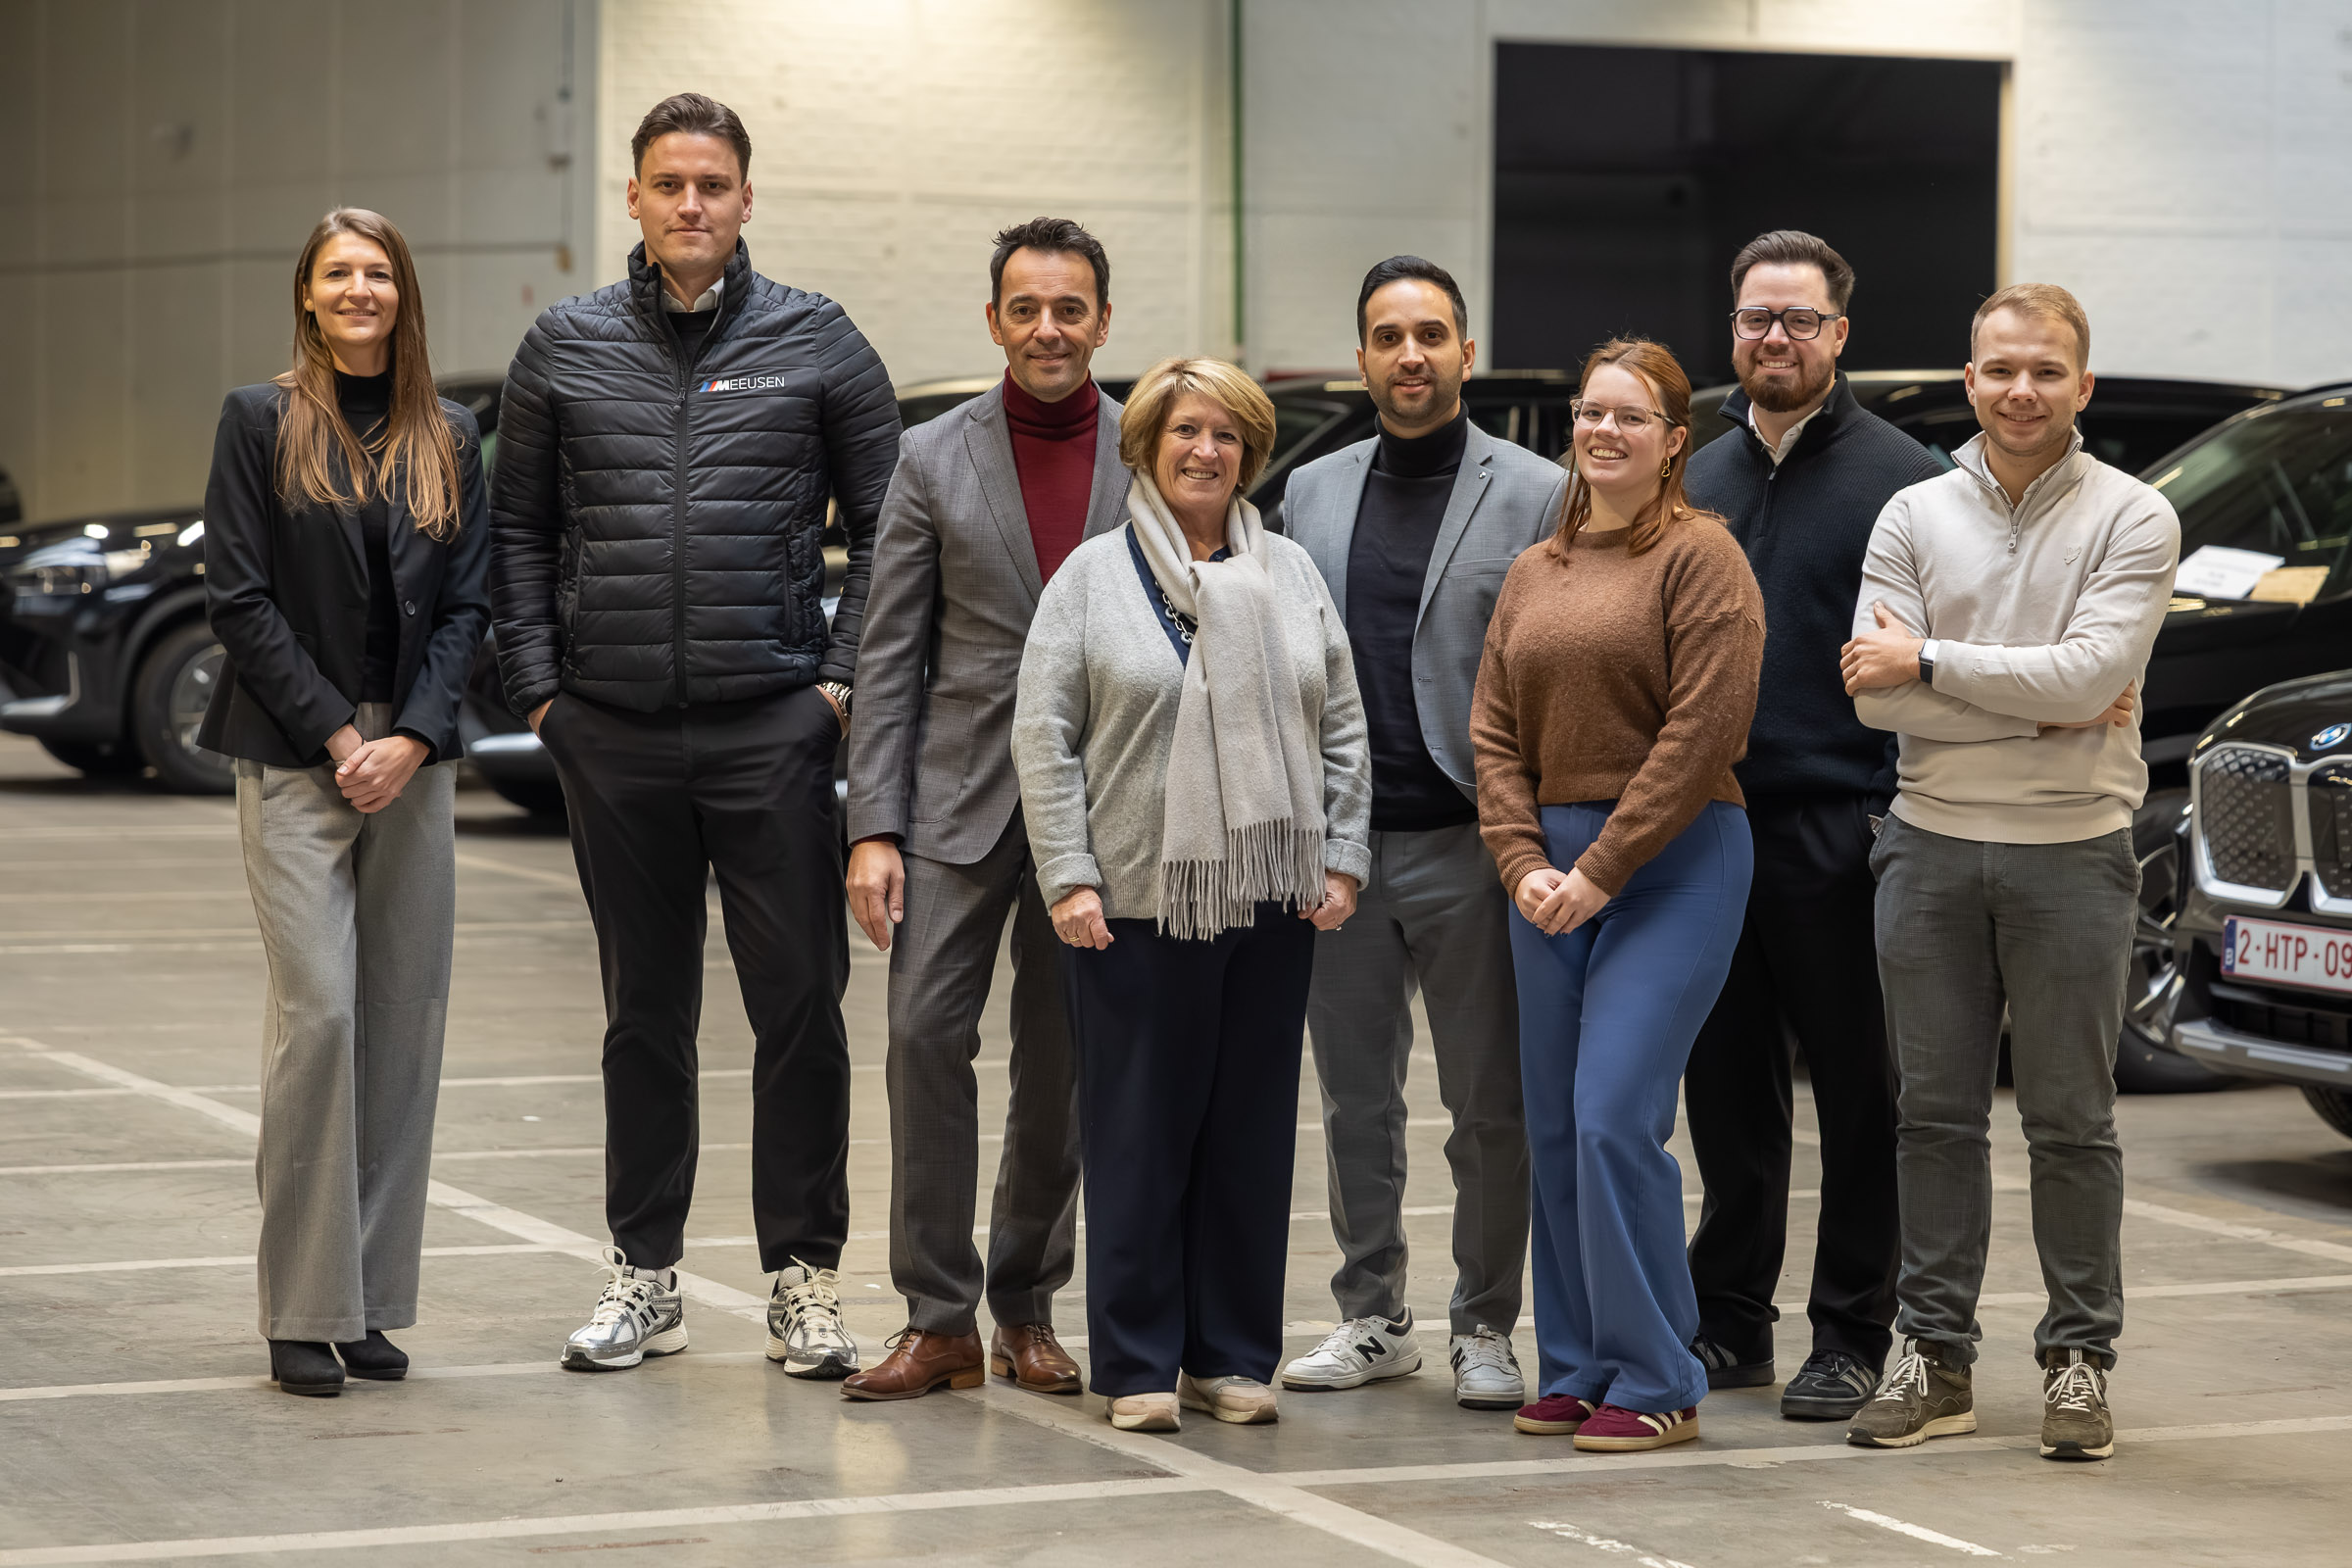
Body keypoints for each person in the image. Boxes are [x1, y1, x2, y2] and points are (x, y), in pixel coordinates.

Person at [489, 93, 900, 1376]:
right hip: (611, 733)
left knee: (803, 1008)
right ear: (633, 197)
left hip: (772, 727)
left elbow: (891, 533)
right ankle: (646, 1275)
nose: (690, 204)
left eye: (712, 184)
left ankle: (804, 1279)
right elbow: (517, 532)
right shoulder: (563, 345)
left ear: (746, 199)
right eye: (668, 183)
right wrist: (544, 695)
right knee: (643, 1015)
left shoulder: (817, 339)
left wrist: (835, 688)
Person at [1839, 284, 2177, 1463]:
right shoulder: (1912, 512)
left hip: (2075, 850)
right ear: (1970, 379)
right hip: (1927, 846)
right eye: (1999, 369)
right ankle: (1934, 1357)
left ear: (2082, 385)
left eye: (2044, 370)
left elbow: (2090, 677)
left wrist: (1932, 660)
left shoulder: (2135, 514)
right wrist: (2045, 710)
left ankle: (2079, 1357)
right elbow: (1873, 698)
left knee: (2071, 1119)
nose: (2020, 390)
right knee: (1933, 1117)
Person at [1011, 356, 1371, 1434]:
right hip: (1130, 903)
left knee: (1249, 1134)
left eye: (1225, 434)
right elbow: (1043, 736)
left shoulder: (1290, 573)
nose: (1205, 450)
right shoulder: (1090, 577)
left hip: (1271, 896)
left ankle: (1231, 1356)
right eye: (1185, 431)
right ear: (1148, 447)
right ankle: (1136, 1361)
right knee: (1138, 1135)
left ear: (1249, 452)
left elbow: (1341, 720)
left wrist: (1341, 854)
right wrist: (1069, 876)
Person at [200, 208, 490, 1397]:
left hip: (412, 756)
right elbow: (237, 596)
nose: (359, 288)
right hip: (295, 749)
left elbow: (470, 605)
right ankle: (301, 1309)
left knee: (402, 1024)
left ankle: (364, 1301)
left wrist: (410, 735)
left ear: (402, 293)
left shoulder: (449, 433)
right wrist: (338, 734)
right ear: (308, 296)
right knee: (319, 1017)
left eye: (378, 272)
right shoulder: (258, 421)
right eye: (338, 273)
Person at [838, 219, 1126, 1402]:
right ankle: (936, 1315)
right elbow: (889, 653)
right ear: (994, 319)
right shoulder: (931, 456)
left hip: (1099, 812)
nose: (1047, 329)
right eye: (1026, 308)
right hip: (953, 800)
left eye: (1070, 309)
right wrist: (872, 825)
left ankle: (1026, 1306)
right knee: (921, 1039)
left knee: (1061, 1067)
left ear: (1101, 321)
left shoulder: (1151, 448)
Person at [1278, 256, 1562, 1410]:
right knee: (1357, 1100)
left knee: (1490, 1107)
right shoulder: (1311, 490)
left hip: (1473, 843)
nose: (1411, 355)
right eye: (1389, 336)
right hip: (1341, 851)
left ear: (1466, 352)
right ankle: (1373, 1316)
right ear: (1361, 356)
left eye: (1431, 334)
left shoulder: (1536, 491)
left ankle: (1485, 1323)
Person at [1472, 338, 1764, 1453]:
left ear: (1674, 442)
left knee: (1610, 1117)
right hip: (1546, 872)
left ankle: (1658, 1372)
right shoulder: (1534, 571)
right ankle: (1581, 1361)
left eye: (1631, 417)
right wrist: (1522, 860)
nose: (1604, 431)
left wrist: (1603, 867)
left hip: (1674, 860)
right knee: (1552, 1126)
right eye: (1592, 412)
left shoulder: (1702, 556)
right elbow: (1494, 729)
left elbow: (1705, 730)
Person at [1679, 231, 1943, 1421]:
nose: (1773, 339)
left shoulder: (1906, 479)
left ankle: (1850, 1331)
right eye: (1755, 319)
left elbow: (1932, 655)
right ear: (1732, 328)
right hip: (1709, 825)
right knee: (1726, 1089)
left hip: (1842, 825)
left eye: (1797, 319)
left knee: (1857, 1092)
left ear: (1839, 333)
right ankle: (1730, 1319)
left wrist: (1884, 808)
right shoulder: (1694, 468)